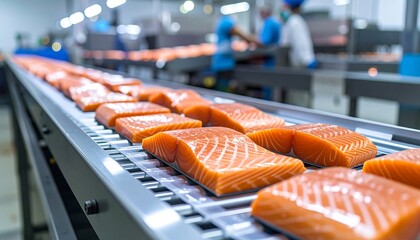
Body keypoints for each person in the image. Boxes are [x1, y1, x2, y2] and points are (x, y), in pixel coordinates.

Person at [211, 15, 260, 91]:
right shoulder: (227, 23)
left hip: (220, 62)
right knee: (224, 90)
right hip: (224, 64)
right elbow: (243, 36)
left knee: (222, 89)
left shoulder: (221, 22)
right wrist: (258, 41)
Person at [280, 0, 317, 69]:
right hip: (296, 65)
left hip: (301, 66)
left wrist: (308, 61)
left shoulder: (295, 22)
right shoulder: (291, 21)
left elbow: (301, 44)